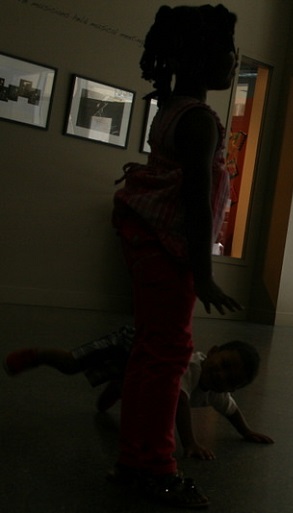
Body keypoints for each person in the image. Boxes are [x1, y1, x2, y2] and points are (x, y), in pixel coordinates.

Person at [110, 5, 242, 508]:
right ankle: (157, 468)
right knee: (168, 360)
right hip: (171, 253)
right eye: (227, 53)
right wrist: (204, 275)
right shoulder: (200, 121)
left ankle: (134, 458)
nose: (233, 63)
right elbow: (195, 205)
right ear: (202, 57)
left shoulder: (169, 110)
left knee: (149, 354)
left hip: (149, 245)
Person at [3, 327, 273, 459]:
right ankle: (36, 356)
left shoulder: (217, 392)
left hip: (141, 370)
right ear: (212, 352)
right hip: (130, 345)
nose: (221, 375)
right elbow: (179, 400)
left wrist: (246, 432)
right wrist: (189, 443)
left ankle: (119, 385)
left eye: (231, 379)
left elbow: (231, 410)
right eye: (223, 364)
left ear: (233, 388)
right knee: (74, 364)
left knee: (122, 397)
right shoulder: (191, 365)